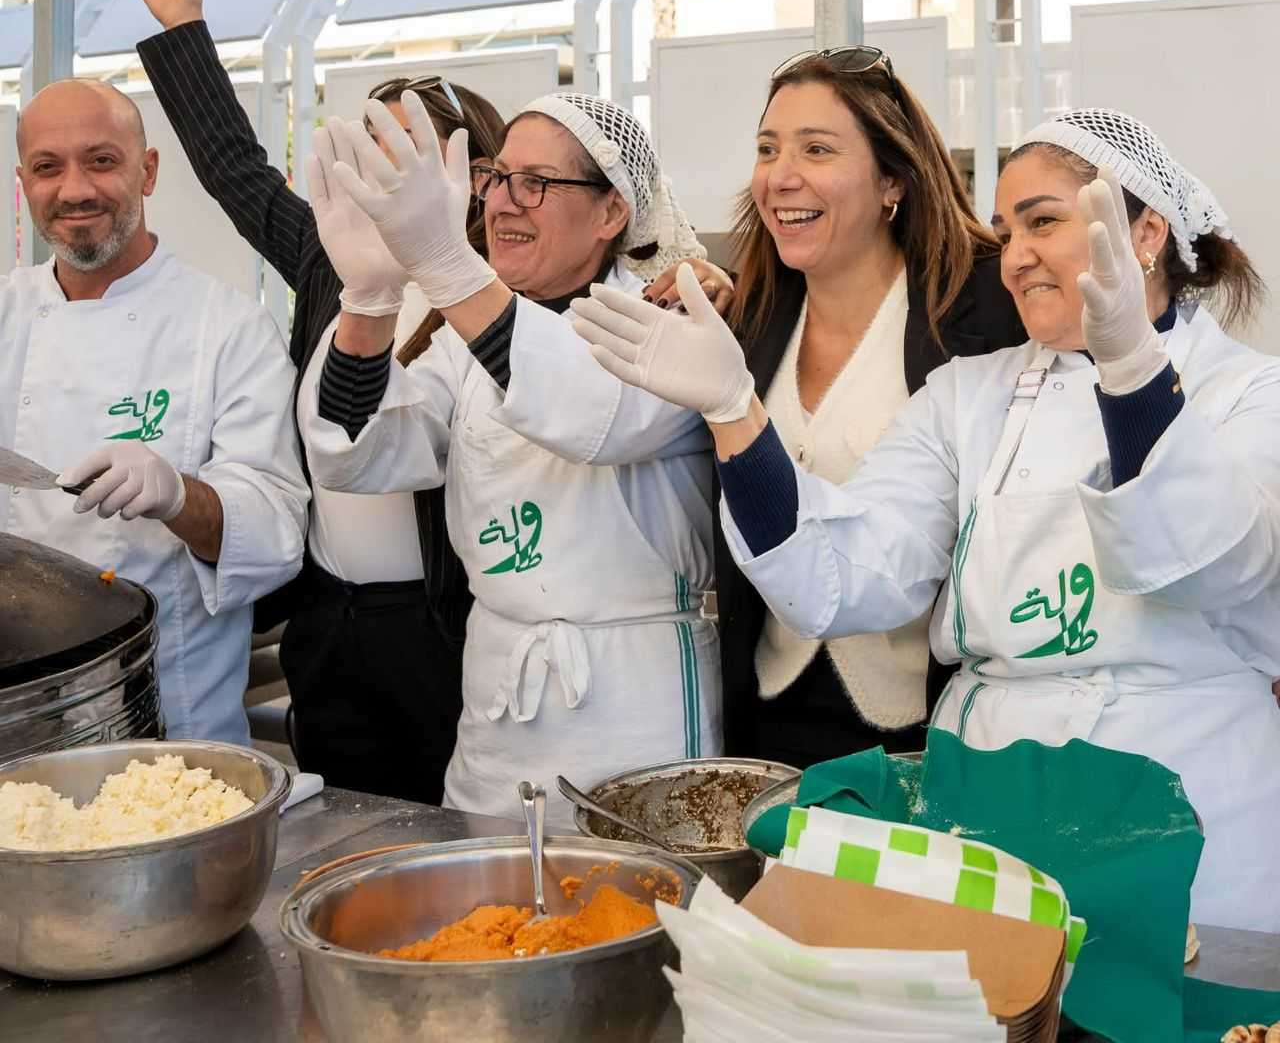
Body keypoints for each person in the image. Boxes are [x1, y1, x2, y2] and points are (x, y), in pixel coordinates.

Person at [572, 108, 1280, 932]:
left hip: (1187, 799)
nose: (1014, 258)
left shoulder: (1250, 394)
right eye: (1006, 230)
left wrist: (1128, 365)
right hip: (993, 802)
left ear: (1147, 232)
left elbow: (1210, 561)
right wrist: (736, 414)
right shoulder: (968, 397)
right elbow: (843, 576)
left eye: (1044, 223)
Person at [123, 0, 505, 804]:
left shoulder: (497, 285)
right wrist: (181, 26)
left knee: (448, 818)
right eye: (373, 153)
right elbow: (234, 171)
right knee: (345, 820)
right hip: (329, 613)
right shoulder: (328, 254)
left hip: (441, 624)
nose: (385, 177)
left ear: (471, 174)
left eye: (410, 155)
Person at [301, 88, 723, 824]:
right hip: (497, 705)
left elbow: (592, 415)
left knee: (637, 906)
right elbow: (365, 452)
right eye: (497, 178)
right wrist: (367, 301)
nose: (502, 203)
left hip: (634, 702)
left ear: (611, 212)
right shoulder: (465, 341)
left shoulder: (672, 316)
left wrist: (445, 264)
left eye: (537, 184)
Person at [644, 47, 1024, 769]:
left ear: (892, 182)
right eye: (767, 149)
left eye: (817, 149)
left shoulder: (986, 312)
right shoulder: (745, 318)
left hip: (932, 726)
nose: (781, 175)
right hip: (770, 711)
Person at [0, 78, 306, 744]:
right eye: (49, 167)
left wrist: (178, 496)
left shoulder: (226, 326)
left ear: (149, 171)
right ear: (23, 182)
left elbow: (278, 534)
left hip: (173, 732)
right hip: (15, 724)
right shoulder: (4, 315)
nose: (75, 189)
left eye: (101, 161)